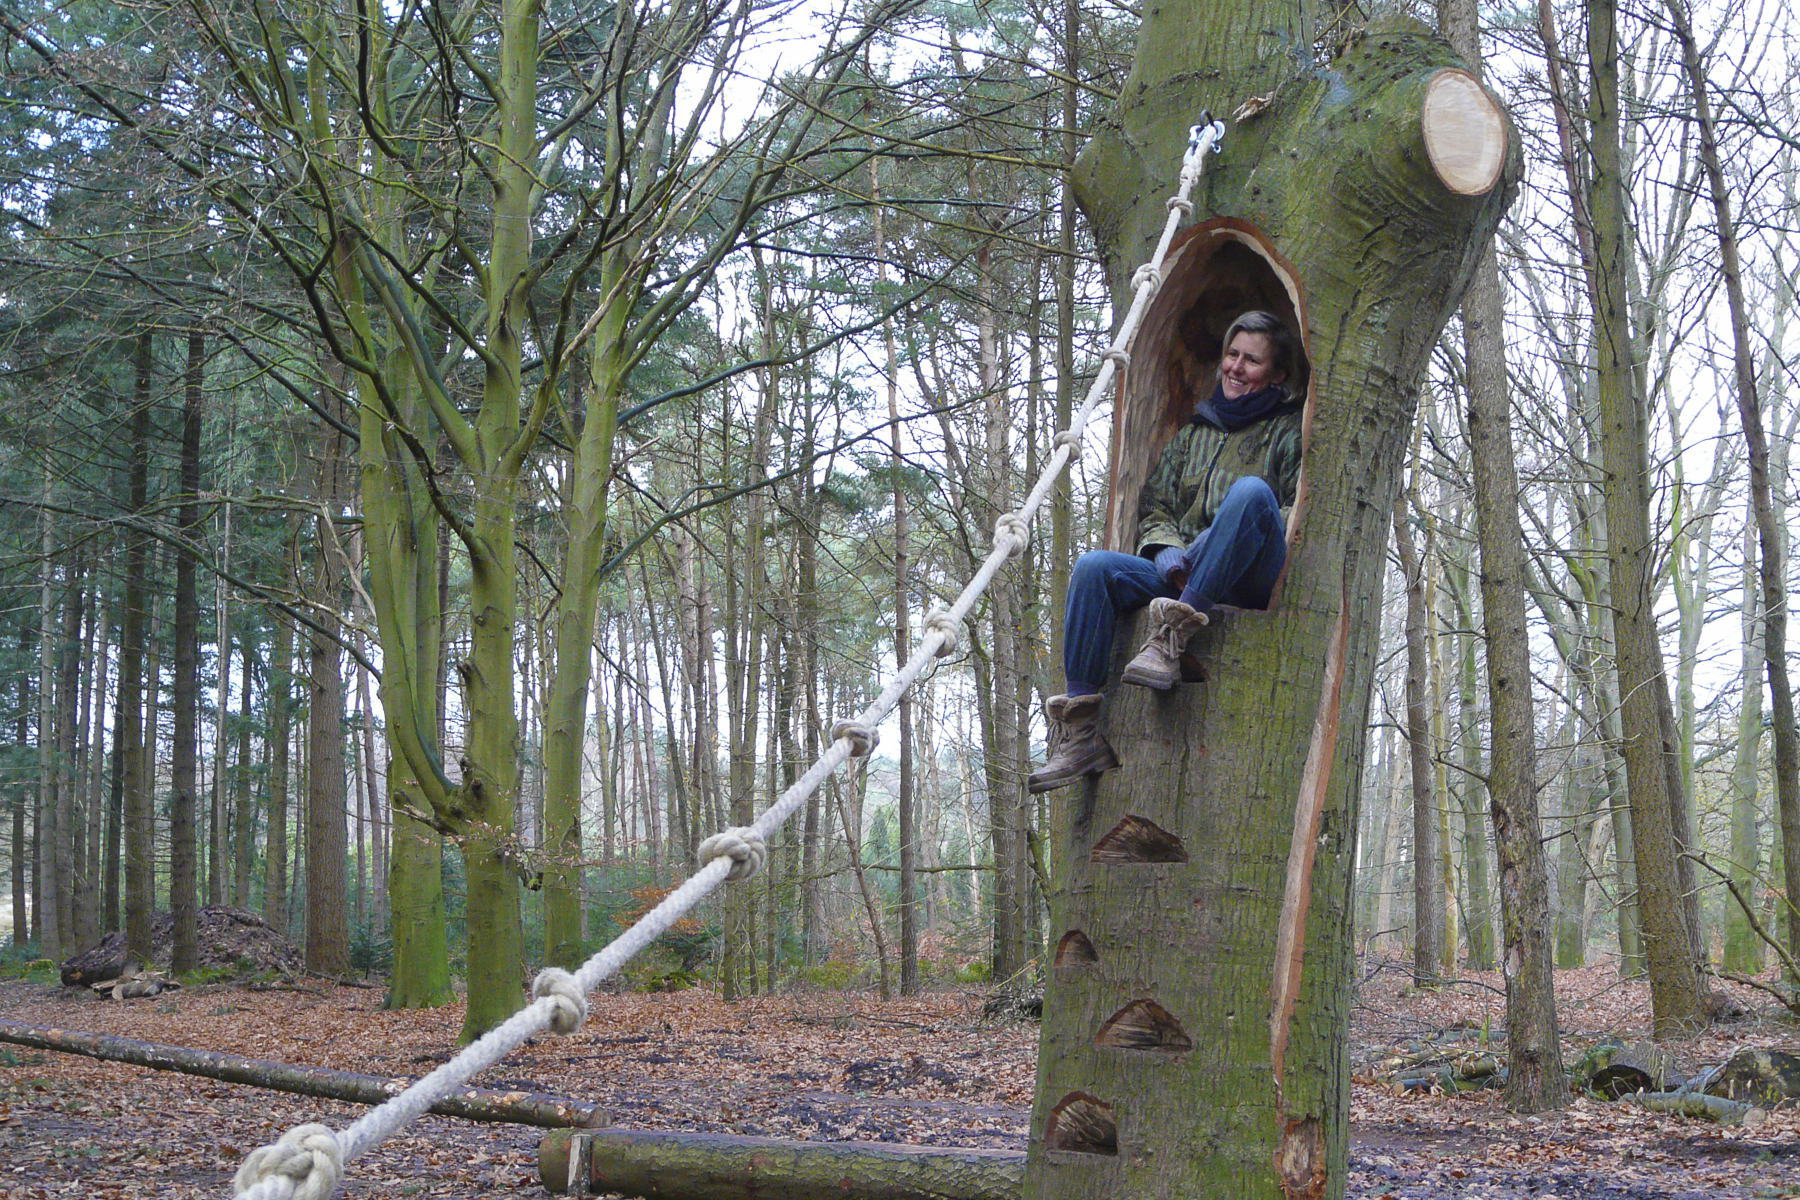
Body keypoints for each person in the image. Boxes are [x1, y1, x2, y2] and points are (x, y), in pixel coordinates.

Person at [1028, 310, 1304, 793]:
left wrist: (1213, 539)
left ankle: (1170, 640)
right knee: (1095, 568)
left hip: (1251, 573)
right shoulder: (1193, 434)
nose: (1236, 367)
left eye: (1252, 361)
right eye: (1231, 355)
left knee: (1252, 492)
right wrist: (1170, 552)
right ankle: (1080, 735)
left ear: (1277, 374)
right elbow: (1154, 507)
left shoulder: (1288, 430)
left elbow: (1291, 511)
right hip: (1185, 575)